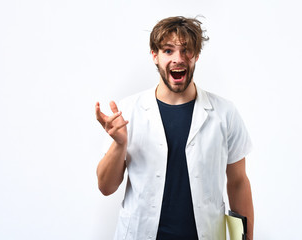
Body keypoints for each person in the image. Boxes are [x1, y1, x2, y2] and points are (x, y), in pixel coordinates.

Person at [95, 16, 254, 240]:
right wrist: (119, 144)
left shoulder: (224, 113)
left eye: (186, 50)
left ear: (196, 55)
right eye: (168, 51)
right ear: (155, 56)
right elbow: (105, 186)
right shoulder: (128, 111)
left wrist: (246, 238)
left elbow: (238, 182)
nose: (178, 59)